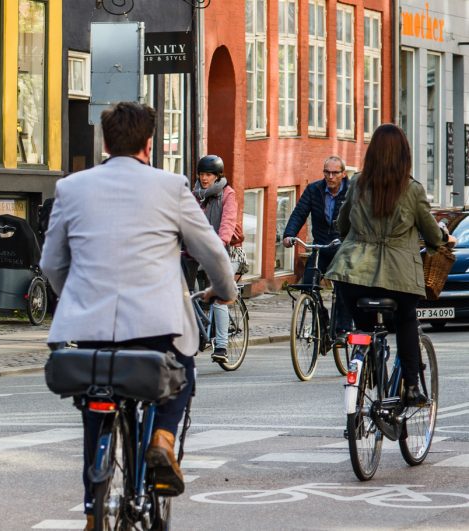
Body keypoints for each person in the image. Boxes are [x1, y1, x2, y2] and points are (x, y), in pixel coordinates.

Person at [40, 102, 236, 527]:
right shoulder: (171, 187)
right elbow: (212, 253)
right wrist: (225, 293)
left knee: (97, 400)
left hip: (88, 325)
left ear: (105, 142)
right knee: (182, 368)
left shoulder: (72, 188)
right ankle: (163, 436)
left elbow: (52, 263)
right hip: (156, 323)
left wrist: (75, 299)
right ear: (149, 144)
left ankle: (93, 510)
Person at [325, 124, 454, 407]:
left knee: (364, 328)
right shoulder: (412, 189)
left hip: (352, 274)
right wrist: (444, 237)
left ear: (372, 154)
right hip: (399, 278)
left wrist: (357, 240)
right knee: (406, 320)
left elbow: (342, 224)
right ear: (403, 155)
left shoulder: (358, 183)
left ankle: (366, 373)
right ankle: (411, 386)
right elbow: (432, 234)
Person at [282, 155, 353, 342]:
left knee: (343, 286)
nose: (330, 176)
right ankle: (321, 318)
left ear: (343, 174)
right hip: (321, 245)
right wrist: (289, 234)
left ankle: (342, 329)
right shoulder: (314, 189)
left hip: (343, 247)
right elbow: (299, 213)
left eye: (335, 173)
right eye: (327, 172)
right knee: (308, 284)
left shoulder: (352, 191)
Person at [189, 154, 240, 363]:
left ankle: (221, 346)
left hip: (219, 250)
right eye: (201, 174)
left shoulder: (227, 194)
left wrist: (221, 242)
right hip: (195, 251)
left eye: (208, 174)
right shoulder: (193, 195)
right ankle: (192, 335)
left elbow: (228, 221)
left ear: (218, 176)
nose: (204, 178)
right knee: (186, 292)